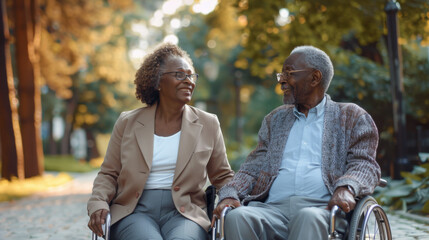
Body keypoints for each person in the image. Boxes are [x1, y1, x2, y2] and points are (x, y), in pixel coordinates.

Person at [213, 45, 381, 239]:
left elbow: (365, 164)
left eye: (289, 73)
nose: (282, 81)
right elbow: (252, 169)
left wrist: (347, 187)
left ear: (315, 78)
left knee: (307, 217)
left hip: (322, 210)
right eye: (281, 75)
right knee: (238, 217)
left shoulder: (351, 116)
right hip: (271, 210)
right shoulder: (274, 120)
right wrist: (229, 192)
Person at [87, 42, 234, 240]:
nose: (188, 81)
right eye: (179, 75)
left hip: (185, 214)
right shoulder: (128, 122)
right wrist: (98, 202)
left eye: (191, 75)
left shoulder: (209, 123)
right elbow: (108, 173)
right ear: (157, 83)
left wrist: (229, 197)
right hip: (134, 211)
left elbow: (223, 176)